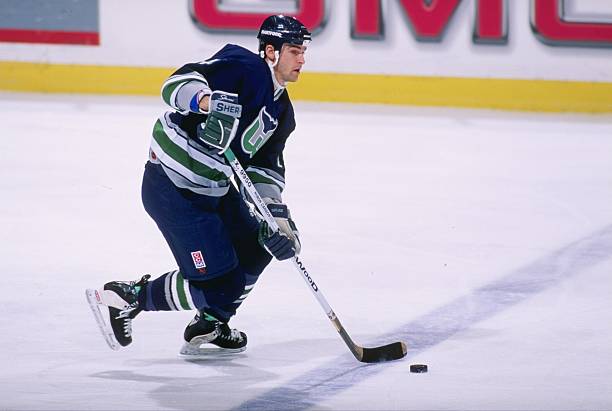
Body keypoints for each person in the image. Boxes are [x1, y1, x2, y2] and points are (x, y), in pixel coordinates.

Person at [86, 14, 311, 357]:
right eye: (294, 50)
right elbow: (175, 84)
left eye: (303, 51)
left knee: (258, 246)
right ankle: (127, 296)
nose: (302, 59)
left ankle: (210, 323)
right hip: (174, 186)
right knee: (222, 285)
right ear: (270, 51)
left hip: (214, 186)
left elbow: (265, 171)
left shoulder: (282, 113)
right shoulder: (243, 65)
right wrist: (206, 103)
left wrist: (277, 221)